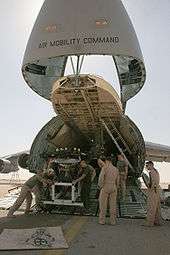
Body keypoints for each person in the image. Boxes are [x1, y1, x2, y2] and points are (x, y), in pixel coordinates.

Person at [98, 156, 119, 225]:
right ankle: (113, 221)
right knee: (113, 205)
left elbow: (101, 178)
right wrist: (117, 187)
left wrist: (100, 186)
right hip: (114, 187)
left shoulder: (105, 168)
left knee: (103, 205)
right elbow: (118, 180)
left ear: (107, 161)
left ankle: (102, 221)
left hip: (106, 186)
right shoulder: (116, 169)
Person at [144, 161, 161, 226]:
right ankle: (157, 222)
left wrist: (149, 188)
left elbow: (151, 184)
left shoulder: (151, 172)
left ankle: (149, 223)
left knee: (151, 207)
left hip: (153, 191)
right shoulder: (156, 171)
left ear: (151, 165)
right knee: (157, 207)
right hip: (157, 190)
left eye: (147, 165)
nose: (146, 167)